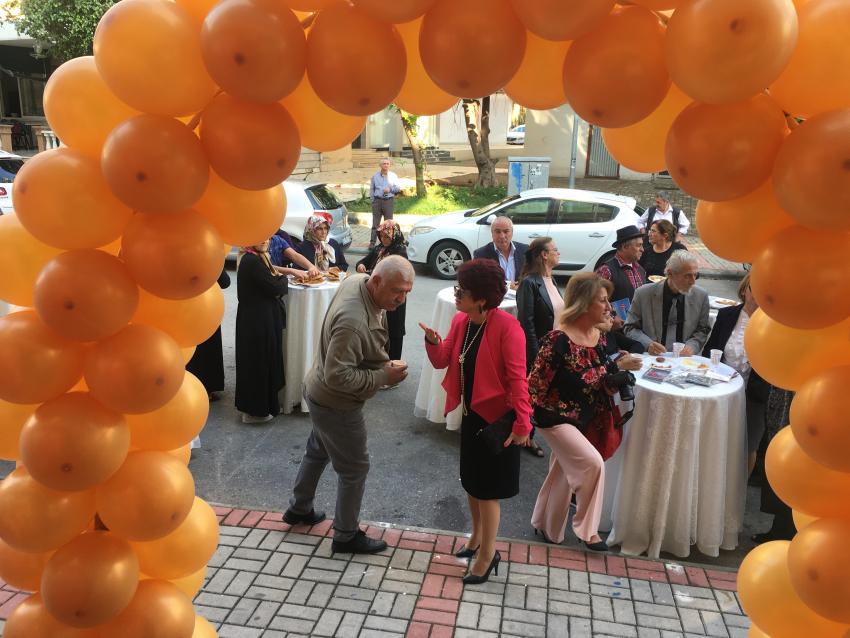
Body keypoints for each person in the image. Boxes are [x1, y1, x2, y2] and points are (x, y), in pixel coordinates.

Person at [285, 256, 414, 553]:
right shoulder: (353, 322)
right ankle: (345, 535)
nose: (402, 299)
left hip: (317, 390)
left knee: (318, 450)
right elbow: (338, 376)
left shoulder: (357, 280)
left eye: (407, 292)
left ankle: (299, 509)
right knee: (355, 468)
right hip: (336, 403)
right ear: (376, 281)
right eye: (397, 291)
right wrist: (383, 376)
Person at [419, 258, 532, 585]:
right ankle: (477, 538)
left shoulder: (508, 328)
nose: (456, 294)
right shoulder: (462, 321)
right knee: (471, 483)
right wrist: (433, 342)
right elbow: (444, 360)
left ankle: (488, 554)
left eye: (462, 291)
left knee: (487, 491)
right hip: (471, 416)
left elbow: (518, 380)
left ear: (481, 298)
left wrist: (523, 424)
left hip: (498, 422)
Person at [527, 274, 628, 552]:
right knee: (592, 464)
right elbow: (534, 386)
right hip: (553, 417)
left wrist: (614, 378)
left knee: (562, 472)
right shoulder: (557, 340)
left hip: (584, 417)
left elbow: (599, 379)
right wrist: (523, 424)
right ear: (584, 304)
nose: (609, 307)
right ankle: (588, 530)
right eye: (602, 301)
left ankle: (546, 526)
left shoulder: (599, 336)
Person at [701, 274, 769, 475]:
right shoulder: (726, 315)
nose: (758, 294)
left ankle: (740, 486)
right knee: (716, 438)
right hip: (721, 388)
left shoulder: (772, 324)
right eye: (754, 288)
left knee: (749, 444)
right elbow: (710, 350)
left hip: (754, 393)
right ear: (744, 290)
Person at [516, 237, 563, 458]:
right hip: (540, 351)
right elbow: (526, 323)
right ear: (544, 255)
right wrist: (536, 355)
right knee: (532, 396)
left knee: (548, 396)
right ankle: (527, 436)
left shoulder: (551, 279)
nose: (558, 253)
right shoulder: (529, 283)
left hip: (557, 348)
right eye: (555, 250)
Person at [234, 240, 288, 424]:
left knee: (259, 362)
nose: (265, 240)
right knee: (258, 363)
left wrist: (279, 279)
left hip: (257, 319)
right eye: (260, 236)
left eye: (267, 236)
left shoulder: (256, 258)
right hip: (257, 322)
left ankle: (260, 408)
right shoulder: (253, 261)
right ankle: (256, 411)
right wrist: (283, 278)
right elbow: (275, 287)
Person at [625, 250, 711, 356]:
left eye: (695, 275)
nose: (693, 282)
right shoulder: (643, 294)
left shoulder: (701, 296)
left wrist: (692, 346)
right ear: (670, 273)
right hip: (652, 357)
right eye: (687, 276)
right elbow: (630, 328)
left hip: (684, 359)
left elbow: (703, 329)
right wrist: (648, 344)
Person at [356, 220, 409, 362]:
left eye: (387, 237)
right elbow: (364, 261)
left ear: (394, 236)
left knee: (393, 331)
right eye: (381, 236)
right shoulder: (379, 249)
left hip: (394, 298)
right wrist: (361, 265)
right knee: (378, 331)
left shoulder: (399, 252)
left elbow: (393, 274)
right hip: (378, 297)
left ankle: (394, 363)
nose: (383, 240)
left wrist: (370, 273)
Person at [186, 268, 231, 401]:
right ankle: (208, 388)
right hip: (208, 308)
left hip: (186, 310)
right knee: (209, 350)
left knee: (192, 351)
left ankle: (190, 387)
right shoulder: (211, 261)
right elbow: (225, 282)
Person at [595, 225, 646, 319]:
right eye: (639, 245)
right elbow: (594, 302)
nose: (642, 249)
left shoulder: (640, 269)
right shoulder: (606, 270)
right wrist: (612, 318)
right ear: (624, 247)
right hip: (615, 326)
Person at [472, 216, 528, 286]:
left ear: (512, 232)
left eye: (506, 231)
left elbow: (533, 277)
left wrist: (520, 287)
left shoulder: (525, 250)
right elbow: (478, 281)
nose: (502, 236)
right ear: (492, 233)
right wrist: (507, 286)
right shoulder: (481, 254)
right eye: (498, 232)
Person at [369, 158, 401, 249]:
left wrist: (390, 189)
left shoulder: (393, 176)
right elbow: (372, 189)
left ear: (389, 165)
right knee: (375, 224)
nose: (386, 165)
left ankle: (388, 243)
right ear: (380, 165)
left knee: (388, 225)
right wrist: (373, 200)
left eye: (387, 163)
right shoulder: (375, 176)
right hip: (377, 201)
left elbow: (398, 188)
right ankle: (372, 243)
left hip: (388, 201)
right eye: (384, 163)